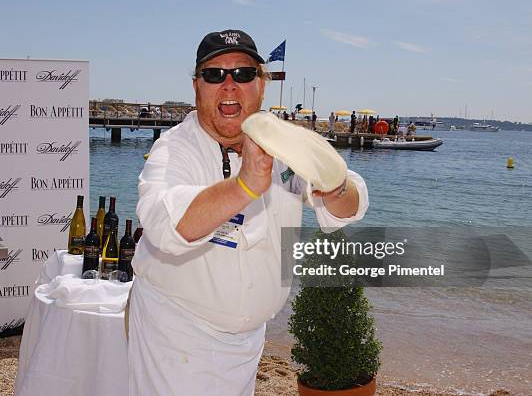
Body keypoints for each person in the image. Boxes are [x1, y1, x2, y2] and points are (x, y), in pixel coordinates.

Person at [128, 29, 368, 396]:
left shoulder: (283, 143)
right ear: (196, 87)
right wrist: (244, 186)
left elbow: (348, 208)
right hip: (175, 335)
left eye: (243, 74)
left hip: (249, 342)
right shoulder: (174, 149)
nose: (229, 85)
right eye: (214, 75)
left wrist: (334, 185)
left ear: (261, 85)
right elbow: (164, 225)